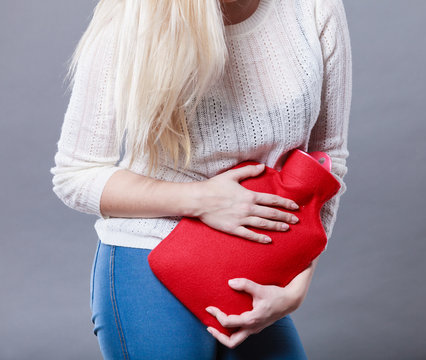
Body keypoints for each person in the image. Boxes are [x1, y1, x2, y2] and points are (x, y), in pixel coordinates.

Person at [50, 0, 352, 358]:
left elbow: (327, 160)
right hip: (151, 262)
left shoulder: (314, 8)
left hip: (257, 266)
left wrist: (297, 285)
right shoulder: (136, 13)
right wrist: (202, 199)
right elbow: (75, 174)